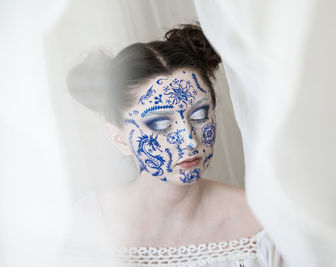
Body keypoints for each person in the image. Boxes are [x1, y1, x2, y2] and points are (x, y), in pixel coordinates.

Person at [65, 23, 284, 266]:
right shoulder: (83, 227)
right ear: (119, 139)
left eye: (199, 116)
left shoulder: (261, 224)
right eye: (160, 125)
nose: (189, 140)